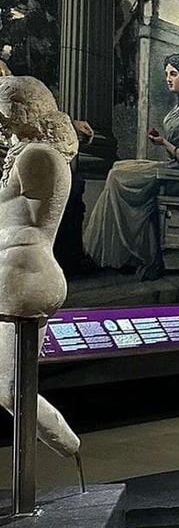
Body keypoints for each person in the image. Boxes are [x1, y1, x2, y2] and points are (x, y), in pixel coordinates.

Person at [0, 75, 81, 457]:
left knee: (10, 388)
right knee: (9, 387)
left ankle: (68, 446)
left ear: (23, 110)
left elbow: (24, 220)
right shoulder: (31, 153)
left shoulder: (37, 156)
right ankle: (68, 448)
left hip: (24, 274)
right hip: (21, 272)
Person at [83, 53, 179, 279]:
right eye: (166, 74)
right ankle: (123, 252)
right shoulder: (177, 109)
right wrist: (162, 142)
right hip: (171, 167)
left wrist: (163, 142)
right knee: (117, 167)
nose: (168, 79)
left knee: (117, 177)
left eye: (173, 74)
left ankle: (131, 254)